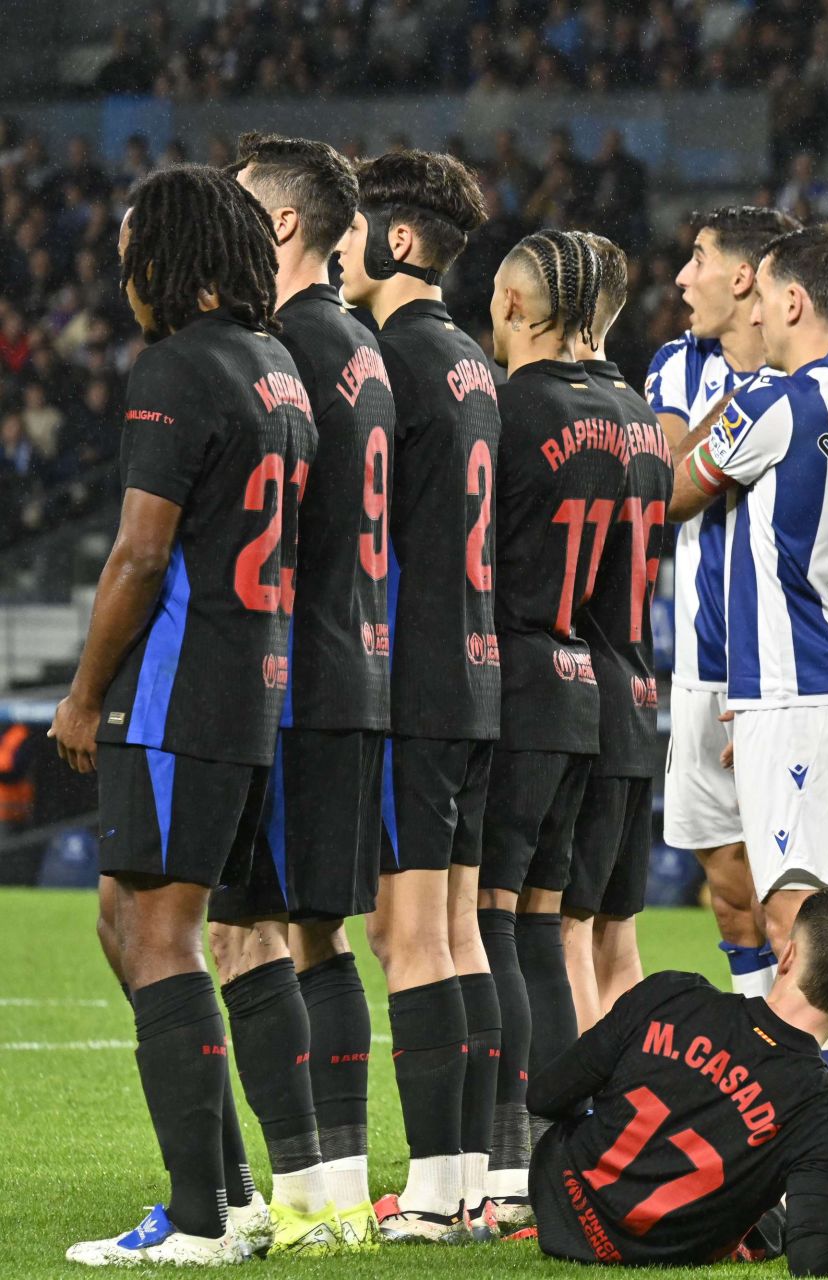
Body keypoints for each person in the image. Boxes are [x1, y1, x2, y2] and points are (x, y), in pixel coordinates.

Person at [56, 164, 317, 1266]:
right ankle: (234, 1191)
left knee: (158, 936)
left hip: (174, 690)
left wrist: (81, 691)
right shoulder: (278, 369)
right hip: (250, 682)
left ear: (174, 254)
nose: (124, 272)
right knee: (125, 922)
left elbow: (141, 550)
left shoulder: (176, 367)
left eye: (135, 250)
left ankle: (201, 1217)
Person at [667, 222, 828, 1194]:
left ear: (796, 302)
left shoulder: (775, 398)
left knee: (805, 929)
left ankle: (824, 1164)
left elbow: (675, 489)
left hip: (800, 690)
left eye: (762, 295)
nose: (752, 310)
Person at [204, 132, 388, 1255]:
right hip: (353, 659)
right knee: (319, 935)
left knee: (246, 935)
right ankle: (345, 1189)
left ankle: (305, 1190)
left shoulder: (281, 349)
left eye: (234, 209)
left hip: (290, 670)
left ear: (277, 225)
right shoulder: (357, 343)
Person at [337, 148, 500, 1241]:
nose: (338, 246)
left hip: (417, 673)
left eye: (352, 228)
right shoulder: (473, 358)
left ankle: (437, 1189)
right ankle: (480, 1171)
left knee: (409, 936)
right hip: (482, 672)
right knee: (460, 929)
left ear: (396, 241)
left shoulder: (386, 358)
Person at [478, 227, 637, 1220]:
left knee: (491, 922)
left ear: (517, 304)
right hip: (603, 677)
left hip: (524, 674)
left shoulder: (508, 407)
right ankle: (554, 1156)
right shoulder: (631, 416)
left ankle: (500, 1161)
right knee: (548, 926)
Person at [528, 887, 828, 1273]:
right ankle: (815, 1211)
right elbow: (818, 1262)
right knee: (764, 1211)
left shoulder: (671, 993)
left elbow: (545, 1097)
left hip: (558, 1204)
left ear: (788, 955)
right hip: (661, 1251)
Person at [651, 206, 798, 1002]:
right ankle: (759, 1048)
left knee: (796, 897)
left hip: (781, 669)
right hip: (701, 668)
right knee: (731, 890)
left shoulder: (813, 376)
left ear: (744, 277)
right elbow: (665, 476)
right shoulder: (678, 364)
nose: (682, 278)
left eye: (698, 259)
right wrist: (748, 400)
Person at [564, 234, 673, 1030]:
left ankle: (585, 1121)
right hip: (639, 691)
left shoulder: (565, 414)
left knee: (565, 926)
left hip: (581, 690)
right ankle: (635, 1106)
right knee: (617, 934)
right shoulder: (642, 418)